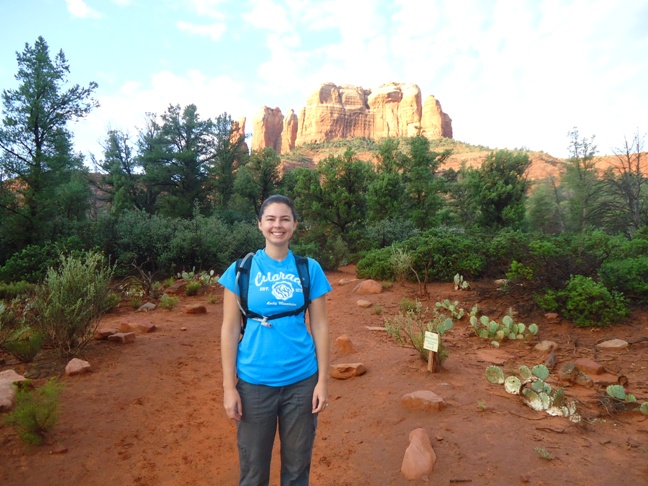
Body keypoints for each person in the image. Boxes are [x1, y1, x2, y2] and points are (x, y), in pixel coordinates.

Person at [219, 194, 332, 486]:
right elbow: (230, 329)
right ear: (260, 225)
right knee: (253, 471)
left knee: (297, 469)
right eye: (270, 219)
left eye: (284, 219)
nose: (277, 225)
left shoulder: (309, 269)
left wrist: (322, 381)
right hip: (254, 382)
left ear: (294, 225)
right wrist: (228, 387)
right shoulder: (240, 270)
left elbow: (319, 325)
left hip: (302, 381)